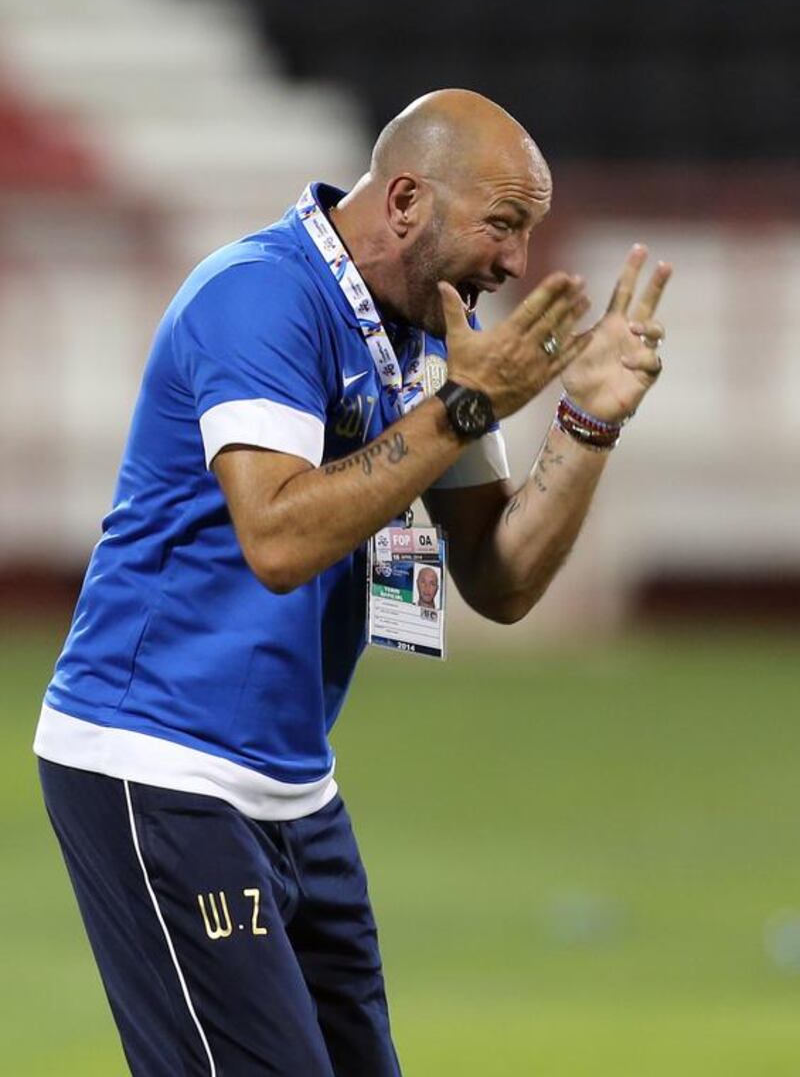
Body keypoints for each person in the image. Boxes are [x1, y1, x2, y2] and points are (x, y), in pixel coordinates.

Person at [34, 88, 670, 1076]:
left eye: (526, 231)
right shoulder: (258, 296)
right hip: (155, 762)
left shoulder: (424, 340)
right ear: (407, 200)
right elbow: (278, 539)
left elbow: (495, 576)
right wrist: (465, 405)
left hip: (294, 787)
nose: (515, 262)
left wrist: (586, 423)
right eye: (502, 225)